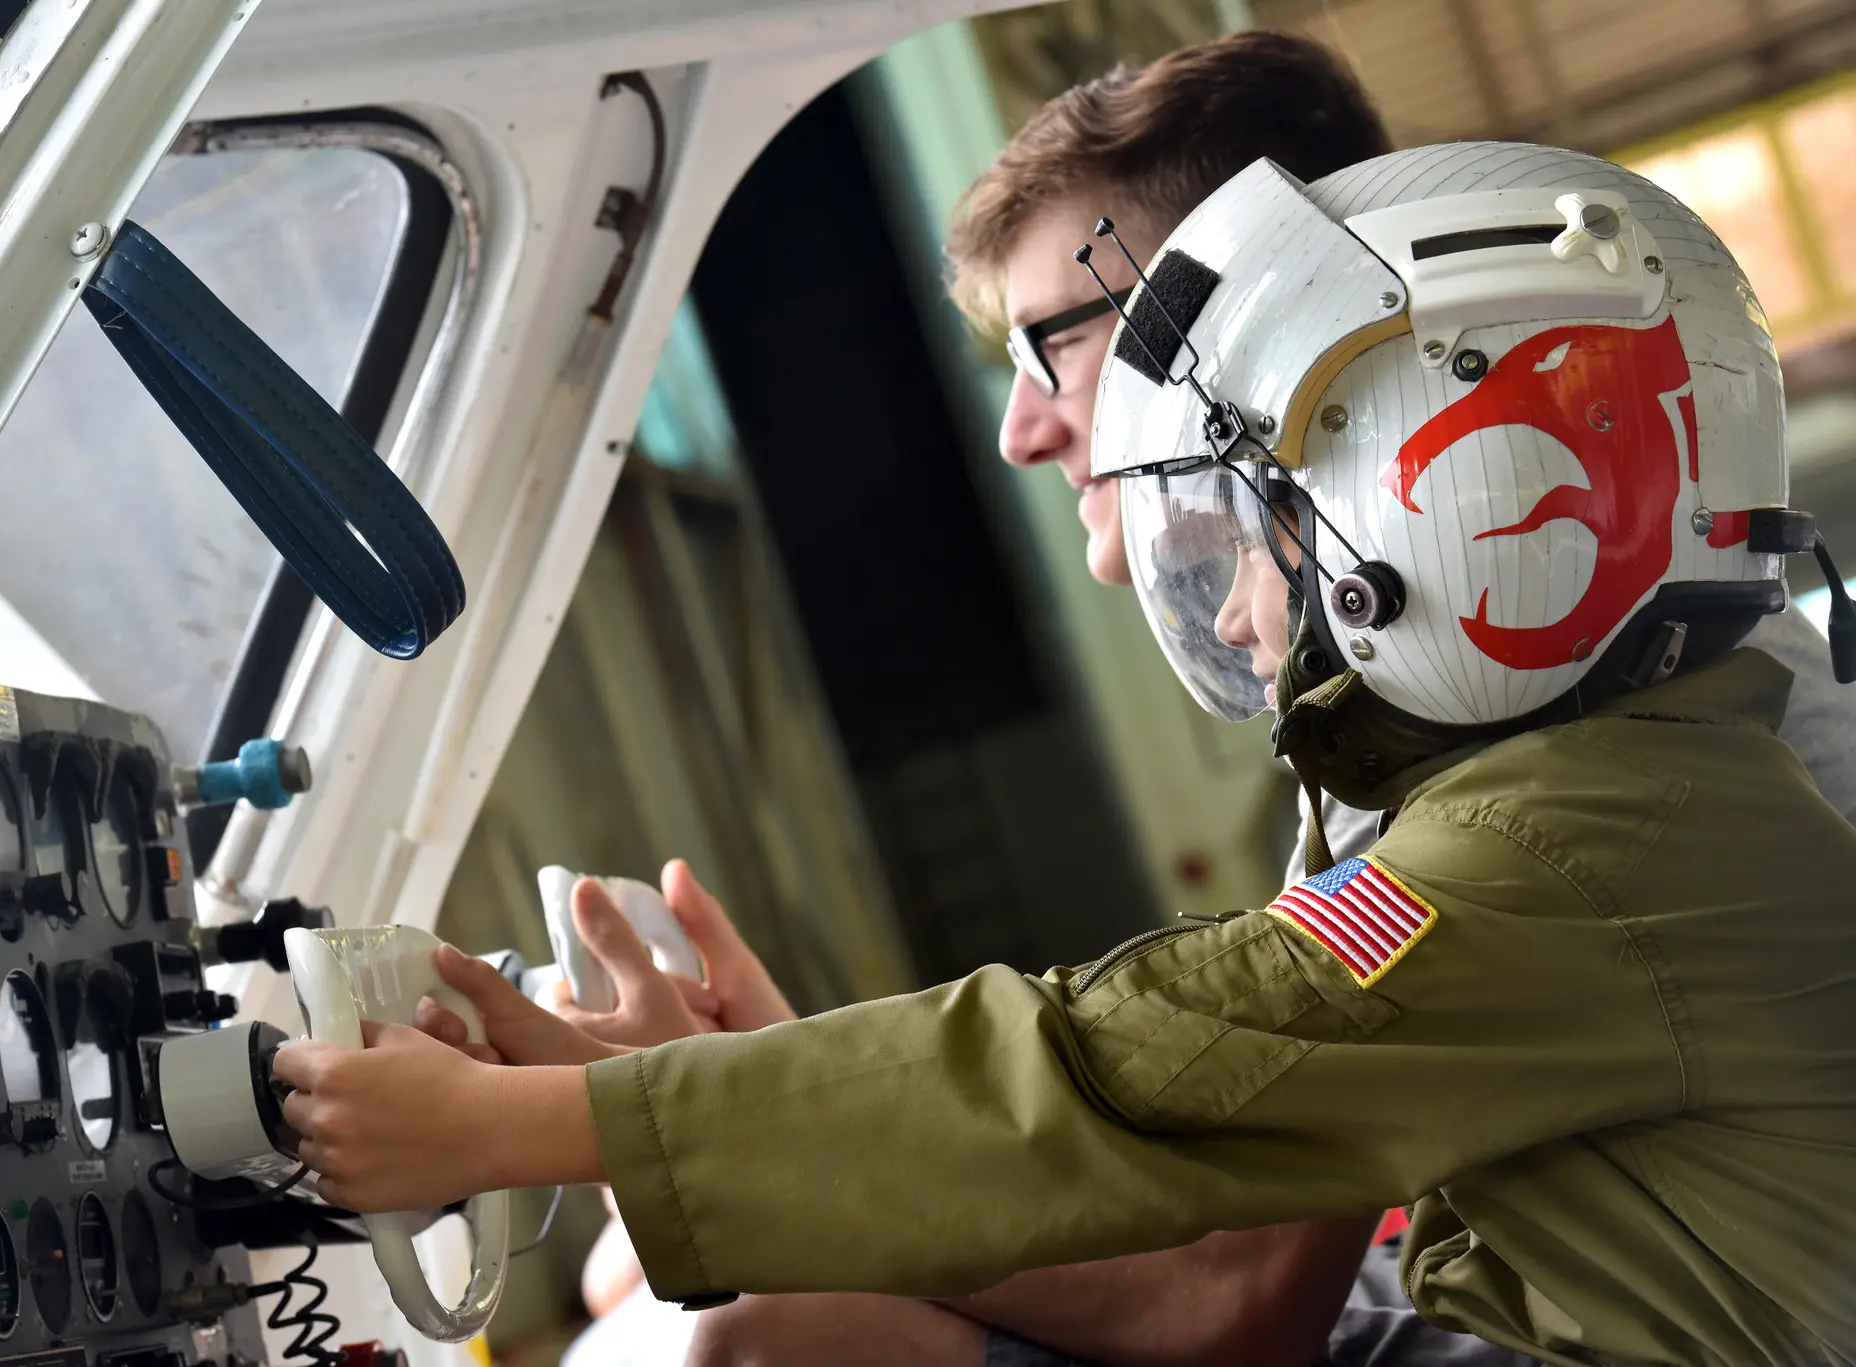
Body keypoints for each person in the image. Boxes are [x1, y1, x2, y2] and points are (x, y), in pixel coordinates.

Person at [278, 142, 1856, 1367]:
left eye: (1276, 535)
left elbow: (1111, 1076)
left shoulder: (1567, 848)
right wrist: (633, 1093)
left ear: (1463, 511)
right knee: (766, 1327)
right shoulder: (1596, 788)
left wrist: (539, 1128)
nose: (1242, 603)